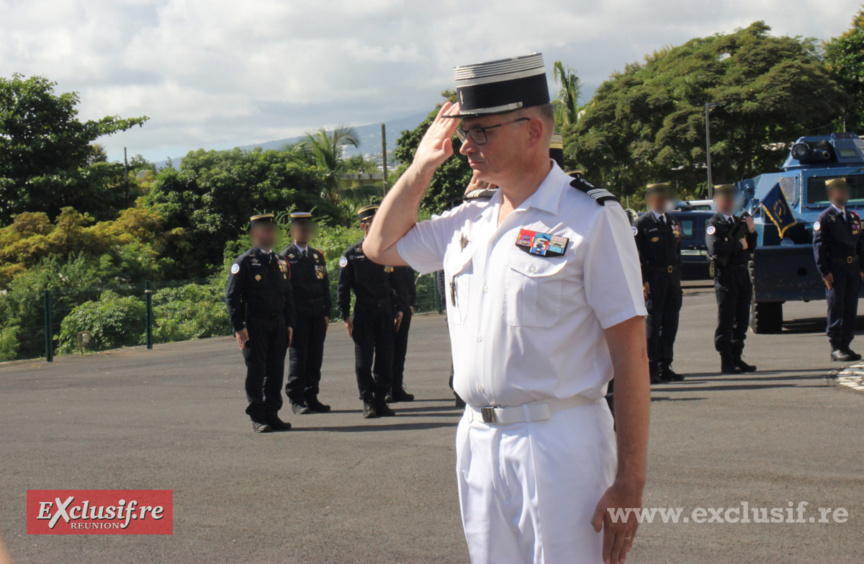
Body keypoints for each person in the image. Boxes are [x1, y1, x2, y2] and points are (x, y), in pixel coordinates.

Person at [362, 53, 649, 564]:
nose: (466, 147)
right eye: (465, 132)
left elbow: (631, 357)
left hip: (559, 440)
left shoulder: (591, 219)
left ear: (533, 130)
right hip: (477, 437)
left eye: (481, 132)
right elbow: (380, 246)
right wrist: (421, 166)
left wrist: (630, 482)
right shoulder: (468, 220)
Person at [225, 214, 295, 433]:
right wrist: (239, 327)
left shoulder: (280, 261)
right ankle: (257, 417)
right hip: (255, 324)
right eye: (264, 230)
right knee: (256, 371)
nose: (270, 234)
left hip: (278, 323)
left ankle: (272, 414)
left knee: (275, 371)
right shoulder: (244, 262)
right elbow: (232, 296)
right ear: (255, 234)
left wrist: (290, 323)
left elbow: (288, 295)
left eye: (272, 230)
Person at [337, 205, 404, 419]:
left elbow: (397, 282)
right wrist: (345, 315)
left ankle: (380, 400)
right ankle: (367, 401)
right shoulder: (352, 254)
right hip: (364, 312)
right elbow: (343, 287)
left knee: (385, 359)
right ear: (363, 226)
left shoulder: (387, 251)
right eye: (373, 223)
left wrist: (400, 308)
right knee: (363, 360)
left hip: (385, 311)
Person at [281, 211, 332, 414]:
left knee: (315, 356)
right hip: (298, 313)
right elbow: (284, 291)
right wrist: (289, 319)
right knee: (298, 357)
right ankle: (296, 399)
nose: (304, 231)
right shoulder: (285, 258)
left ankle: (312, 395)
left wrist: (327, 311)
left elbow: (325, 286)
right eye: (300, 227)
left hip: (317, 313)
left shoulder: (317, 256)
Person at [705, 184, 758, 374]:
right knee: (726, 320)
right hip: (726, 275)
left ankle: (737, 356)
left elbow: (751, 246)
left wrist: (751, 231)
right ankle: (726, 360)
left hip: (742, 273)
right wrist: (738, 245)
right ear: (717, 202)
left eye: (730, 199)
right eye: (723, 199)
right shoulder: (714, 224)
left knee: (742, 319)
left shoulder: (737, 221)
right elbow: (716, 249)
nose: (727, 202)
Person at [634, 183, 684, 384]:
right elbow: (635, 255)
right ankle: (651, 368)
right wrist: (642, 281)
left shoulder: (672, 222)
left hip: (672, 279)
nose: (662, 200)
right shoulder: (642, 224)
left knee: (670, 324)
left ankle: (666, 365)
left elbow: (677, 251)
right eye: (658, 196)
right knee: (653, 326)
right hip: (653, 279)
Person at [813, 177, 864, 362]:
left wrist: (861, 267)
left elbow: (860, 244)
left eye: (844, 190)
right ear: (830, 194)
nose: (843, 193)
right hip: (836, 268)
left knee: (850, 307)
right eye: (838, 190)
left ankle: (846, 344)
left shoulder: (853, 217)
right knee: (836, 307)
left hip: (852, 267)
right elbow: (819, 246)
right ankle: (836, 346)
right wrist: (825, 272)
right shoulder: (825, 218)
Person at [389, 265, 417, 402]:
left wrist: (411, 303)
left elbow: (410, 282)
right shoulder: (385, 259)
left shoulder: (403, 258)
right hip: (388, 308)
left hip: (404, 308)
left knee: (400, 351)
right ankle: (386, 389)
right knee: (387, 352)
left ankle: (397, 387)